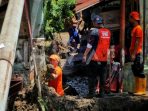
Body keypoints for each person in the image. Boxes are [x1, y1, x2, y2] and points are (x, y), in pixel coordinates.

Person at [83, 15, 112, 97]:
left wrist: (85, 55)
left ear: (95, 23)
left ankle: (91, 94)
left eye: (93, 22)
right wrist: (110, 57)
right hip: (104, 58)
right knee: (102, 76)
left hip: (94, 58)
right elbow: (111, 46)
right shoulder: (108, 32)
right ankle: (102, 93)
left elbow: (89, 45)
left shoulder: (95, 32)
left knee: (92, 76)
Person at [129, 11, 146, 95]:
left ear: (133, 18)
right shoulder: (135, 28)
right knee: (135, 70)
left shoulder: (138, 28)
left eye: (130, 18)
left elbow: (137, 42)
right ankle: (137, 89)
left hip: (137, 53)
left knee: (139, 71)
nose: (129, 19)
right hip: (135, 53)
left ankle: (141, 90)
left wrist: (133, 54)